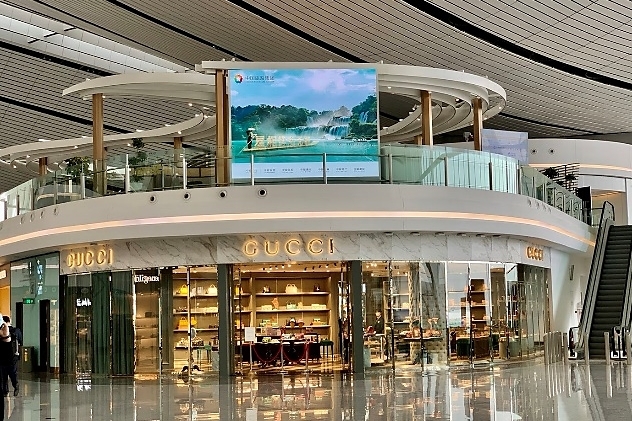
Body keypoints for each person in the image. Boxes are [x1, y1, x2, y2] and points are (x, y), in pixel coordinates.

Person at [1, 317, 19, 397]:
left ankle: (6, 390)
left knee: (5, 375)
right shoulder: (16, 330)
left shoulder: (10, 331)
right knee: (11, 374)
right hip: (11, 357)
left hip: (6, 356)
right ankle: (14, 387)